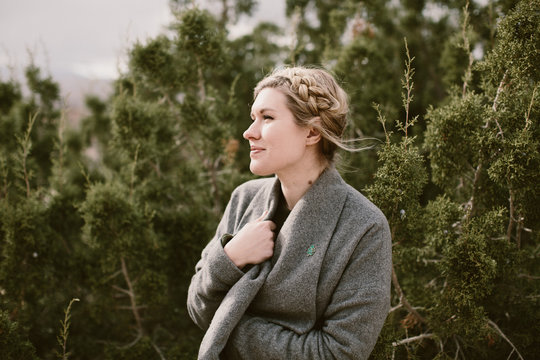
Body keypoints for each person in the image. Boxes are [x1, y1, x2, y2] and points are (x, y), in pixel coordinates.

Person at [187, 66, 392, 359]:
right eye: (253, 118)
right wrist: (230, 258)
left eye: (267, 118)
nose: (249, 132)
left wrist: (224, 324)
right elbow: (197, 303)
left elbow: (338, 353)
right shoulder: (244, 199)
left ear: (311, 132)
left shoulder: (364, 227)